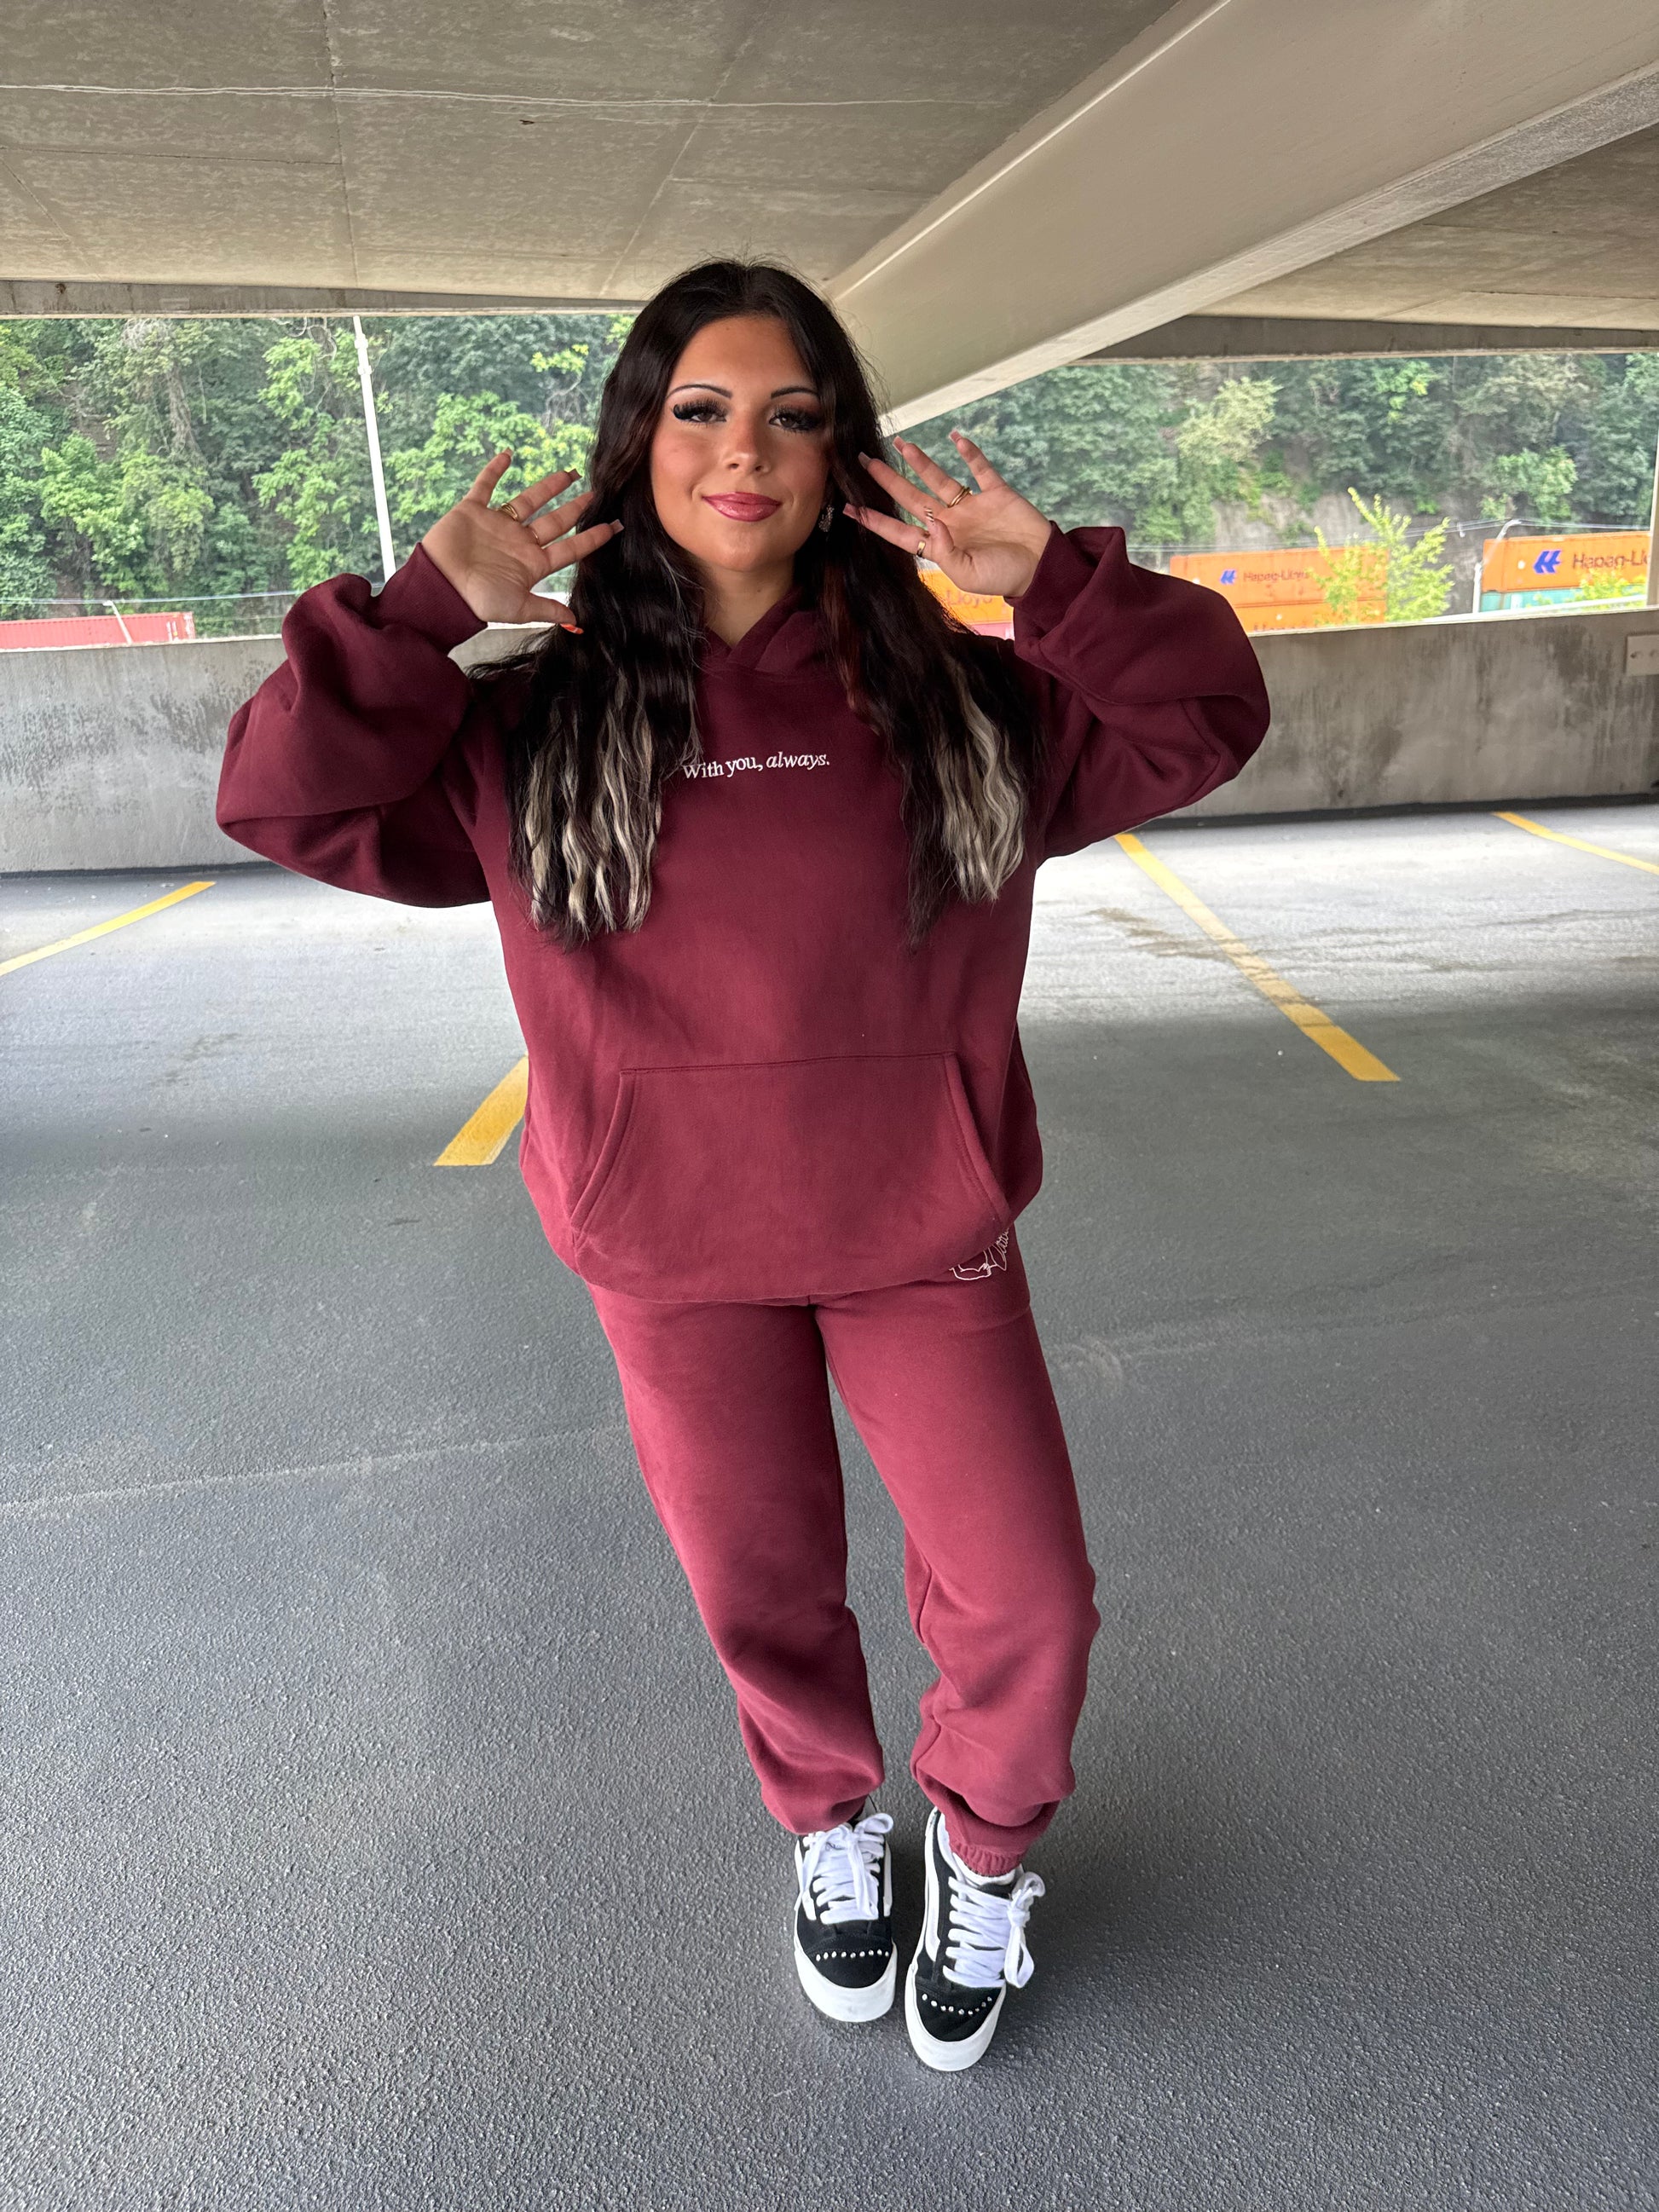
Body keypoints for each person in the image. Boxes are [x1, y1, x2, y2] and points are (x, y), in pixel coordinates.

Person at [218, 259, 1269, 2072]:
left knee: (1026, 1596)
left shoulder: (965, 704)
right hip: (669, 1247)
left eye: (791, 415)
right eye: (700, 410)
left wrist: (1049, 586)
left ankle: (983, 1851)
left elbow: (1201, 718)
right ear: (639, 444)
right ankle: (831, 1828)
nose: (744, 453)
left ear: (838, 453)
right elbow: (285, 795)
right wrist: (421, 613)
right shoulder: (530, 726)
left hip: (918, 1232)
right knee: (759, 1587)